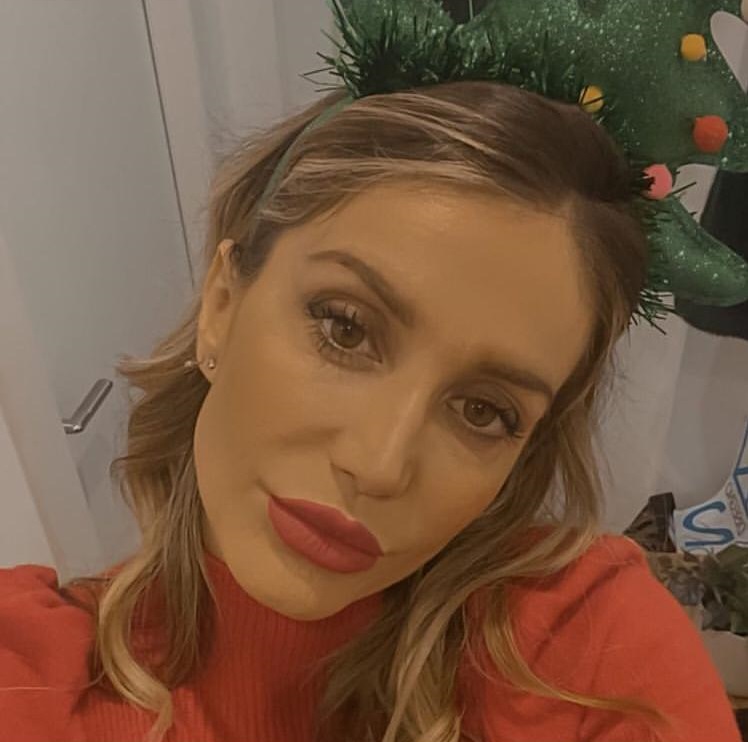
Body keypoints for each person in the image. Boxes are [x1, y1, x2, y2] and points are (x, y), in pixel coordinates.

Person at [1, 5, 745, 742]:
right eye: (345, 328)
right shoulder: (27, 674)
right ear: (223, 303)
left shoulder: (587, 657)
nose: (379, 464)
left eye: (483, 411)